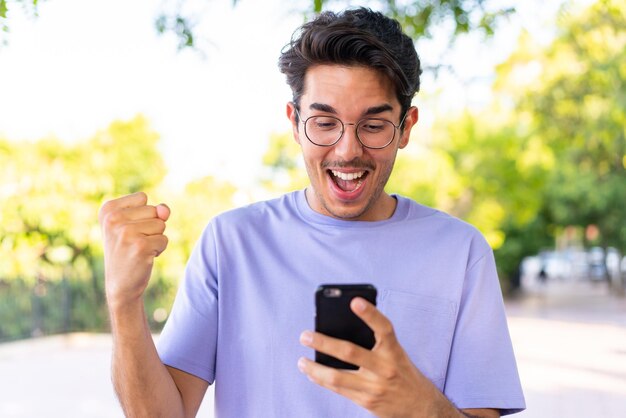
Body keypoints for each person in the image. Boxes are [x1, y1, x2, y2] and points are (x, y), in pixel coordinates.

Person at [99, 8, 525, 418]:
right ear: (294, 122)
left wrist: (421, 407)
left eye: (373, 126)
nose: (347, 150)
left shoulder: (461, 251)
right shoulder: (231, 241)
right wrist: (124, 301)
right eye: (324, 123)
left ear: (406, 128)